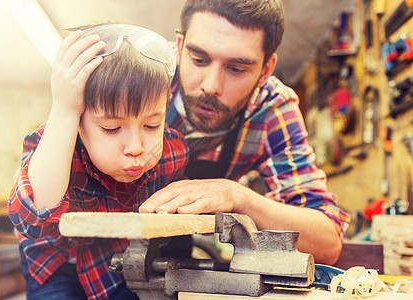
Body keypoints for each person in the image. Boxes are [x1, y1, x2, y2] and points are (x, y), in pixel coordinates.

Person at [139, 0, 350, 265]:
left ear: (265, 70)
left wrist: (237, 196)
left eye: (236, 68)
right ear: (179, 47)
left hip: (171, 252)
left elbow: (327, 244)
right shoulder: (140, 73)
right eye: (199, 59)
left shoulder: (271, 108)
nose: (211, 86)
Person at [8, 24, 188, 299]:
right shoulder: (55, 143)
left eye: (152, 125)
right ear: (80, 122)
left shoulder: (172, 153)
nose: (136, 148)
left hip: (115, 260)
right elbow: (33, 219)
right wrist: (65, 110)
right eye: (112, 129)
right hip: (55, 262)